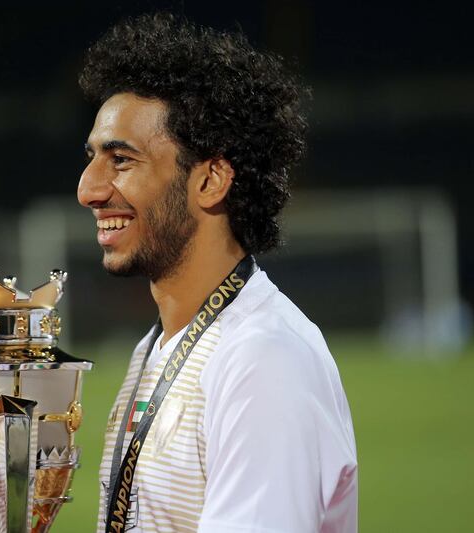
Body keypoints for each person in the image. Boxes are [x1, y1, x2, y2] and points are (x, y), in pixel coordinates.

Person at [77, 13, 357, 533]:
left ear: (209, 181)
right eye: (92, 157)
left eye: (120, 160)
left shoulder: (263, 361)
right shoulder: (156, 349)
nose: (89, 189)